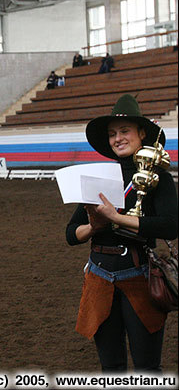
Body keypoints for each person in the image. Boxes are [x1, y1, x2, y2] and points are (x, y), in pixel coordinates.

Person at [65, 94, 178, 372]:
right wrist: (93, 227)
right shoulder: (100, 176)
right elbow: (70, 233)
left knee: (147, 368)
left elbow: (170, 226)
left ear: (141, 133)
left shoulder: (158, 176)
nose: (118, 138)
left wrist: (117, 218)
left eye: (125, 131)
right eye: (112, 134)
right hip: (99, 279)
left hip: (139, 278)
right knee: (111, 367)